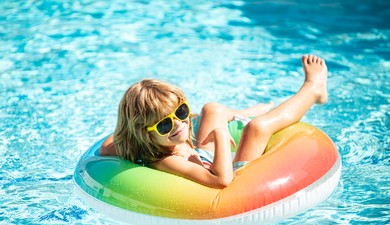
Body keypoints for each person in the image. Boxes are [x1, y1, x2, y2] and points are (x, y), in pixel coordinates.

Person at [100, 54, 328, 189]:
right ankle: (313, 89)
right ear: (144, 133)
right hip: (233, 176)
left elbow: (107, 146)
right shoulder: (168, 160)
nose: (179, 123)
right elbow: (222, 181)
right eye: (165, 124)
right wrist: (220, 134)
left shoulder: (158, 137)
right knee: (257, 128)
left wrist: (168, 126)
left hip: (203, 157)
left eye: (181, 111)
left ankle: (243, 111)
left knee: (212, 108)